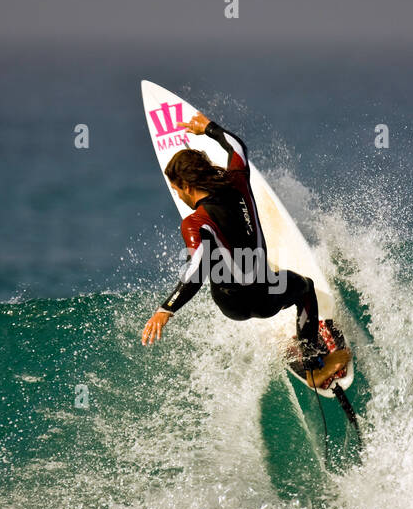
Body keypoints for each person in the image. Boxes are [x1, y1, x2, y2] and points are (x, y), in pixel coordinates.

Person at [140, 111, 351, 388]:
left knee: (216, 254)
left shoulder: (195, 223)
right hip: (265, 297)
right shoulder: (239, 184)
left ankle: (311, 368)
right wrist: (209, 128)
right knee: (304, 288)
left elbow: (197, 268)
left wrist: (166, 309)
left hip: (232, 304)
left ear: (188, 186)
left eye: (177, 189)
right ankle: (312, 361)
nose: (178, 194)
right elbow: (237, 147)